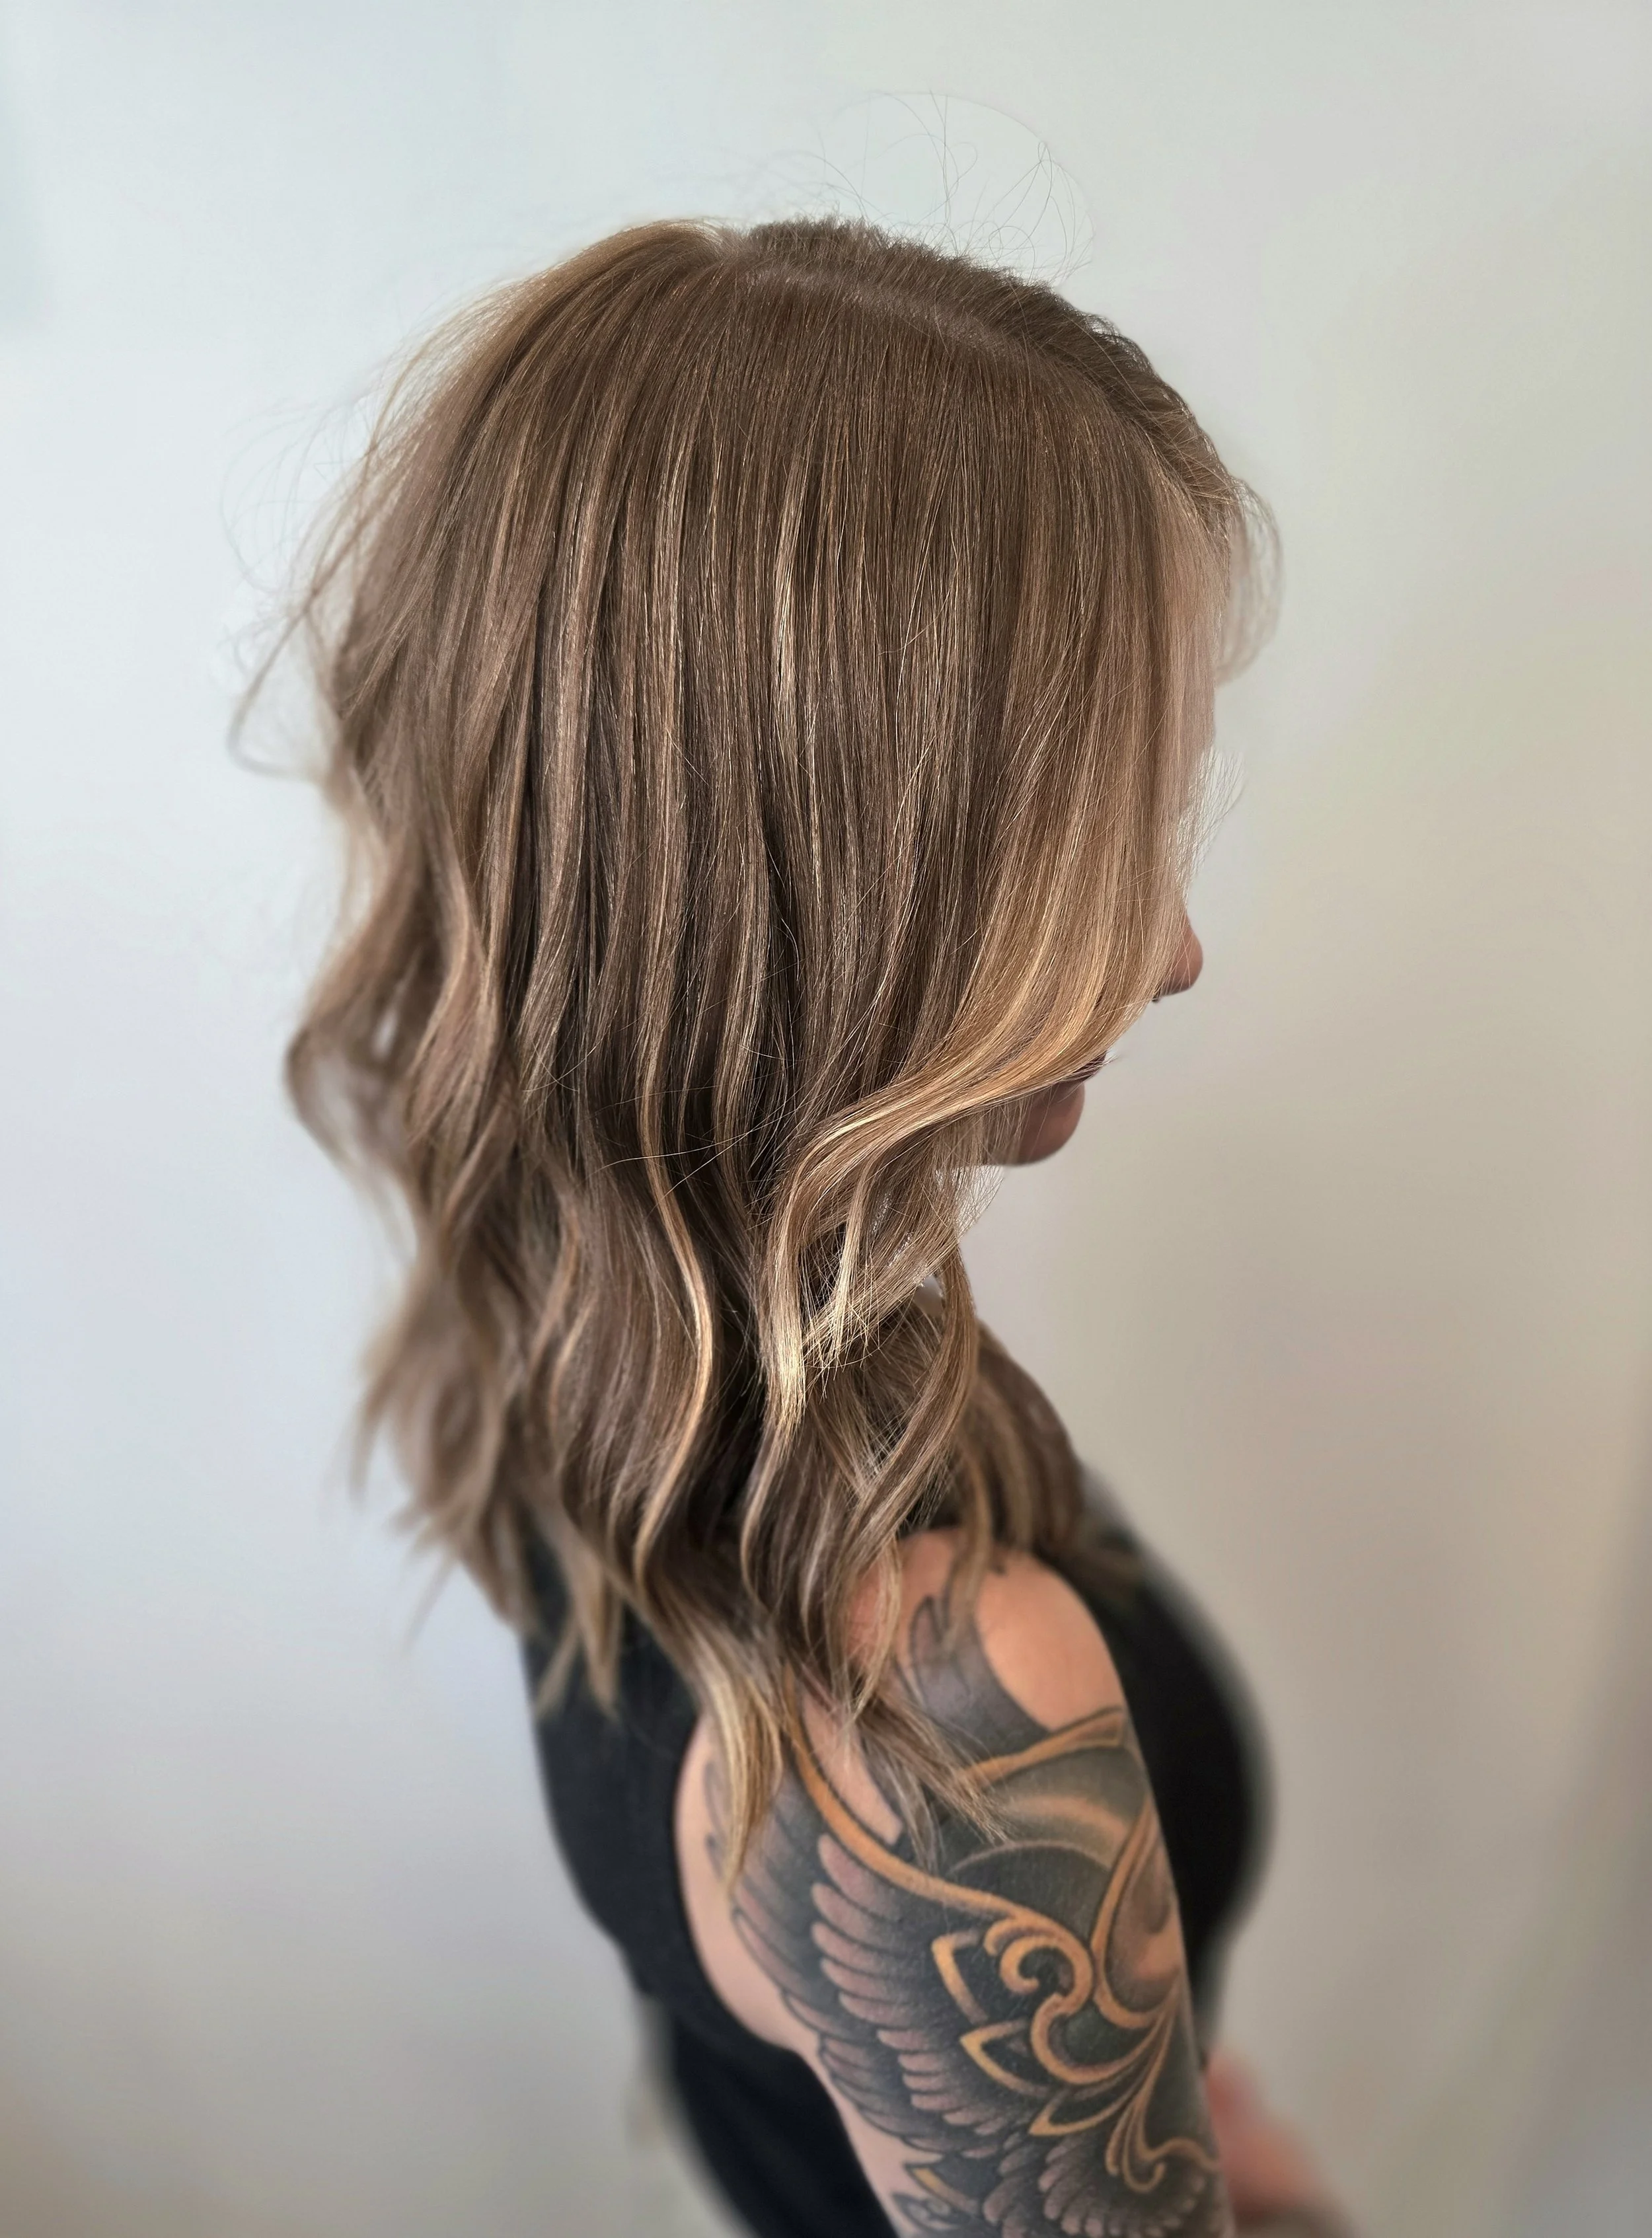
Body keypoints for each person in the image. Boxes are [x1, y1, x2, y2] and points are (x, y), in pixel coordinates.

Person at [272, 215, 1350, 2236]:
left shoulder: (584, 1315)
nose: (1170, 949)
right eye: (1092, 845)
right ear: (823, 907)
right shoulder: (935, 1724)